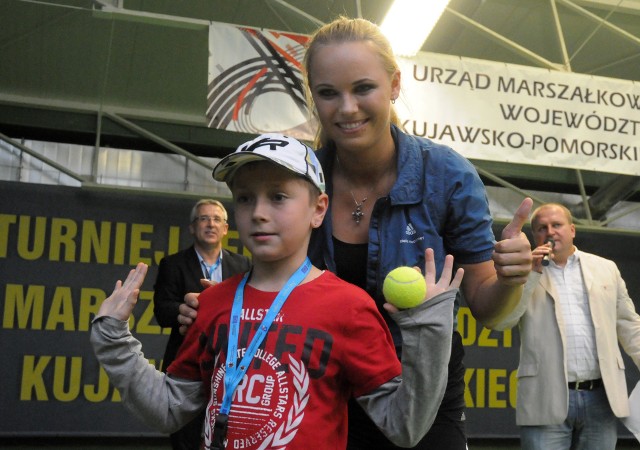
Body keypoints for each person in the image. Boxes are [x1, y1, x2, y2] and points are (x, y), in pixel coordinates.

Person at [91, 133, 465, 450]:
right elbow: (168, 409)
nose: (258, 212)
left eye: (278, 197)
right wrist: (113, 340)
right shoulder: (214, 303)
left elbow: (405, 426)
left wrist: (429, 331)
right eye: (245, 198)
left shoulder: (349, 306)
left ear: (319, 210)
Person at [300, 16, 533, 450]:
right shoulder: (302, 179)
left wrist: (510, 278)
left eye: (363, 88)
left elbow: (486, 306)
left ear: (394, 86)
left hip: (423, 387)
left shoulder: (447, 175)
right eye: (328, 93)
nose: (346, 108)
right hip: (317, 384)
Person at [492, 203, 640, 450]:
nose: (550, 232)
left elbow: (629, 325)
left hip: (601, 398)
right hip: (545, 397)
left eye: (556, 225)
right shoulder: (523, 272)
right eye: (541, 228)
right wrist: (531, 276)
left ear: (572, 230)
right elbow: (503, 321)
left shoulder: (606, 268)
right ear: (534, 236)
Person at [153, 198, 251, 450]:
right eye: (203, 219)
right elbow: (162, 311)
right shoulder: (172, 264)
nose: (210, 224)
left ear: (226, 229)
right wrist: (185, 310)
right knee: (185, 435)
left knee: (231, 431)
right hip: (186, 359)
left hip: (232, 362)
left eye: (217, 219)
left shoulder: (243, 266)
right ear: (192, 228)